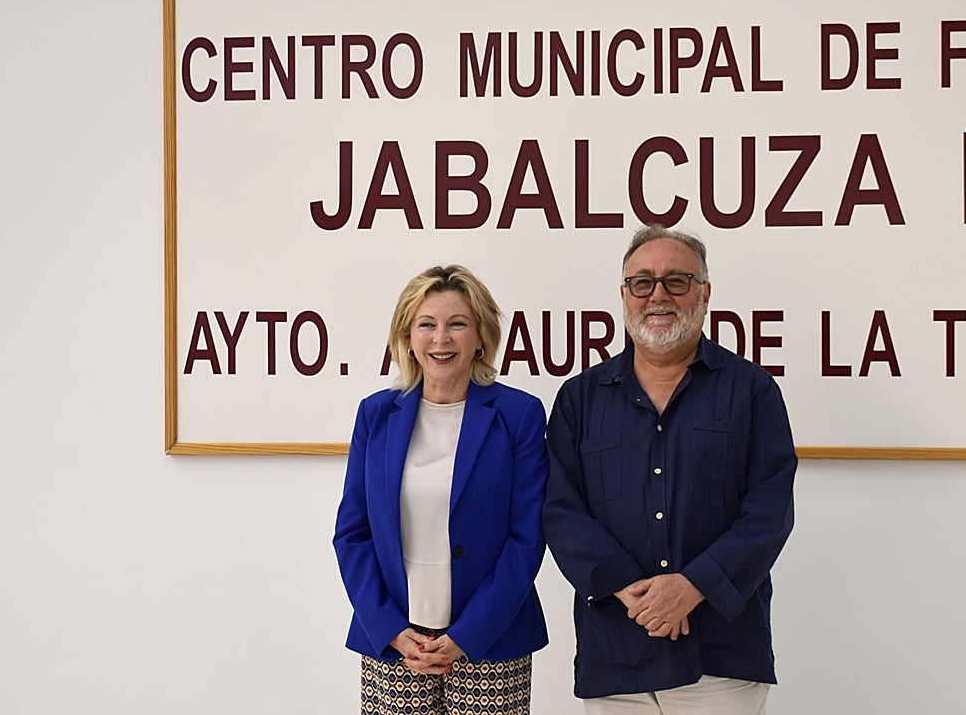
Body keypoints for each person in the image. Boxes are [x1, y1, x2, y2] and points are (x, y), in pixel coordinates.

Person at [543, 225, 797, 713]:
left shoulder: (752, 392)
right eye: (642, 282)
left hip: (720, 656)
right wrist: (630, 589)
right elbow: (560, 510)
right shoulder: (579, 399)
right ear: (624, 295)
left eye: (677, 281)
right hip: (615, 653)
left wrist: (692, 586)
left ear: (705, 293)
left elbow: (769, 513)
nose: (657, 295)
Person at [333, 265, 549, 715]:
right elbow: (352, 533)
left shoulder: (519, 415)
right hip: (396, 643)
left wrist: (467, 635)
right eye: (427, 325)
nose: (441, 339)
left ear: (481, 336)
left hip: (490, 641)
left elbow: (527, 539)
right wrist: (390, 628)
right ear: (407, 337)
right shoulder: (375, 414)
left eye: (457, 324)